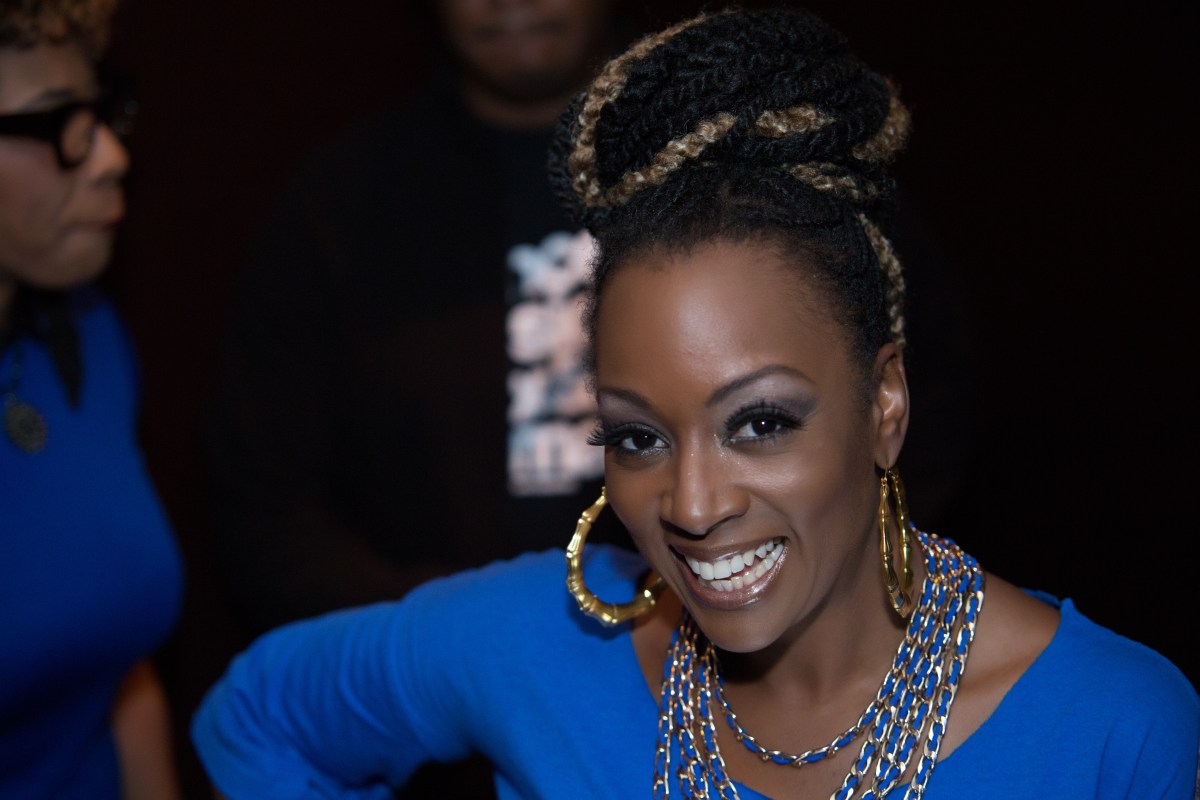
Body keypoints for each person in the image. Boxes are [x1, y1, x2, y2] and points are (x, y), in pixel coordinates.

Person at [192, 7, 1199, 798]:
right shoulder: (534, 646)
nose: (693, 502)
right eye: (637, 436)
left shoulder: (1110, 733)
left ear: (886, 400)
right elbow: (252, 720)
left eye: (760, 422)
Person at [207, 0, 632, 636]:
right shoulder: (340, 204)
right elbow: (264, 513)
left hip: (700, 647)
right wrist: (453, 632)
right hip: (422, 667)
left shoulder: (716, 173)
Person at [0, 1, 184, 798]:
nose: (111, 155)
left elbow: (116, 667)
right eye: (59, 122)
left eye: (102, 111)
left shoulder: (85, 335)